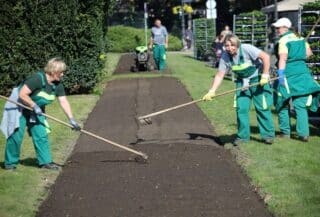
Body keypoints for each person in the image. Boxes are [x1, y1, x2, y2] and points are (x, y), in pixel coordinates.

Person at [2, 57, 81, 170]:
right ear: (53, 71)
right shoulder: (37, 79)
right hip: (19, 107)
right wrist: (33, 105)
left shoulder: (57, 85)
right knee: (16, 135)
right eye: (61, 72)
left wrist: (71, 119)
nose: (62, 74)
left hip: (35, 110)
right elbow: (22, 94)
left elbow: (63, 101)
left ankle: (45, 162)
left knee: (41, 134)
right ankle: (10, 163)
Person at [202, 34, 275, 146]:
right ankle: (243, 137)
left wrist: (265, 75)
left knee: (262, 108)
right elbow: (220, 75)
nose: (230, 48)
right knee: (241, 109)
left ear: (237, 44)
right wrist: (212, 91)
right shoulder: (225, 57)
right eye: (227, 45)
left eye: (232, 45)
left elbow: (265, 57)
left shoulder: (246, 48)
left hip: (258, 80)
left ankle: (268, 136)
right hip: (242, 83)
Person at [272, 17, 320, 141]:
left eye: (278, 28)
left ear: (284, 27)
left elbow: (283, 58)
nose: (277, 30)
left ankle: (285, 133)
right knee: (300, 105)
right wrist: (298, 55)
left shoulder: (283, 40)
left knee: (282, 102)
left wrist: (281, 74)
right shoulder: (300, 38)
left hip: (289, 74)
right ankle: (303, 134)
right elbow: (309, 54)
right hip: (303, 74)